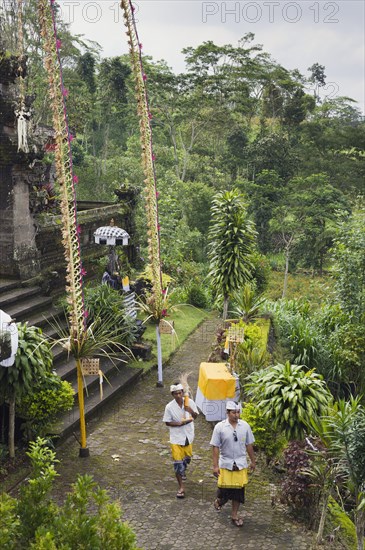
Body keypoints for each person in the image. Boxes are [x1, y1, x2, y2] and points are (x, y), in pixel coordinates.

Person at [210, 401, 256, 527]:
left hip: (240, 464)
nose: (236, 415)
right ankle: (219, 501)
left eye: (238, 412)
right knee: (224, 490)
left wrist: (253, 461)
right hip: (226, 463)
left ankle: (234, 515)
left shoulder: (245, 426)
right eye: (233, 412)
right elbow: (215, 447)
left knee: (238, 492)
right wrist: (215, 466)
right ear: (227, 413)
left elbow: (249, 445)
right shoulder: (220, 427)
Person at [163, 383, 199, 499]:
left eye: (180, 393)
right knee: (178, 464)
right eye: (176, 394)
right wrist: (178, 423)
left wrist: (190, 410)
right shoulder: (169, 407)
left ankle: (183, 469)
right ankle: (181, 487)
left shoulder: (190, 402)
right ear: (172, 395)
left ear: (183, 393)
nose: (178, 395)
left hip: (188, 435)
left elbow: (195, 416)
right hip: (176, 438)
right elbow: (167, 422)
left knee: (187, 458)